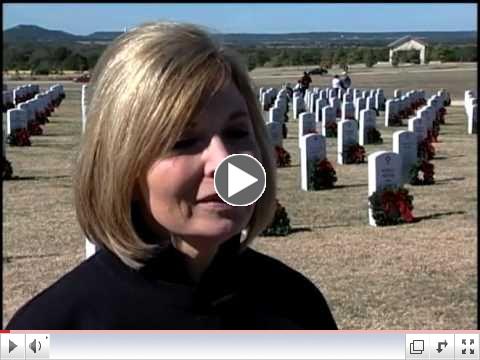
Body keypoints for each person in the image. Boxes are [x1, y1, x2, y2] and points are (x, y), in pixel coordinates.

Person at [7, 22, 337, 330]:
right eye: (183, 140)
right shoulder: (51, 329)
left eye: (237, 132)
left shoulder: (297, 307)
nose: (224, 162)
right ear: (124, 166)